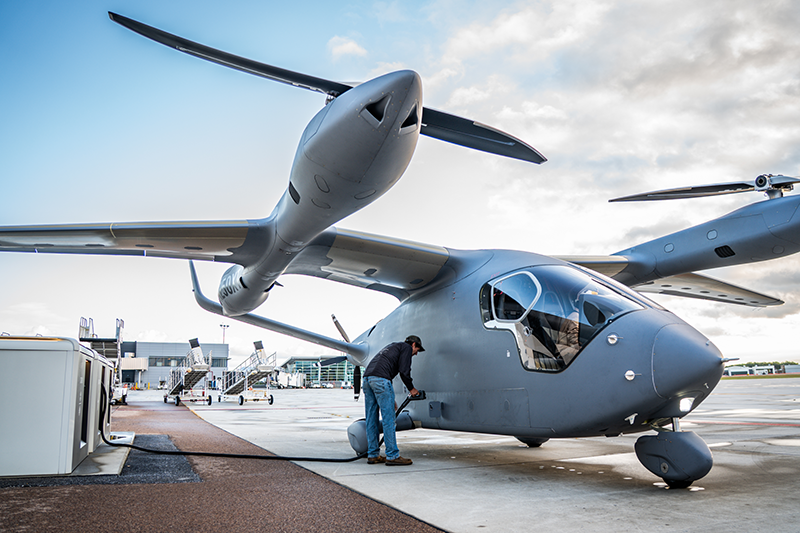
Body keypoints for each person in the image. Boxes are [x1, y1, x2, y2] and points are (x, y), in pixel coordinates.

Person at [362, 335, 424, 466]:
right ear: (413, 344)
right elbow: (404, 371)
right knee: (389, 419)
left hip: (367, 379)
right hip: (380, 380)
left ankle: (373, 454)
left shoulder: (393, 346)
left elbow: (382, 371)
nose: (416, 354)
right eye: (417, 350)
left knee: (371, 419)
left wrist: (390, 398)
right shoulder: (406, 348)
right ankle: (392, 455)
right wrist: (412, 389)